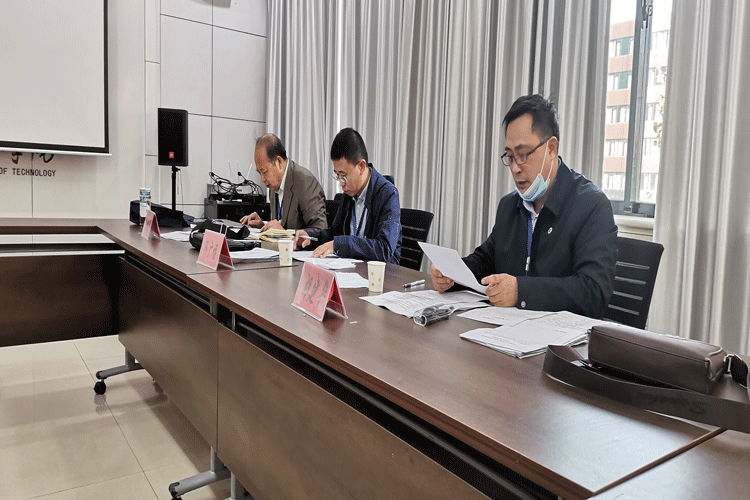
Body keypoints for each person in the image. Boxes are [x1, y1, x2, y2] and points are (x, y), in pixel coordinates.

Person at [430, 94, 617, 319]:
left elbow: (594, 292)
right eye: (510, 157)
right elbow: (486, 260)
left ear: (551, 149)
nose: (515, 168)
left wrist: (521, 291)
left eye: (523, 155)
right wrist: (452, 273)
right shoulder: (510, 205)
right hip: (508, 330)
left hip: (559, 337)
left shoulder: (591, 206)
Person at [293, 128, 402, 264]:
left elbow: (384, 249)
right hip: (351, 268)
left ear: (361, 166)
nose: (341, 183)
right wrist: (311, 237)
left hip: (380, 273)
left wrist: (341, 244)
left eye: (343, 175)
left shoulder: (388, 194)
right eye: (337, 175)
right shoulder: (350, 192)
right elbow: (335, 233)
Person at [240, 134, 327, 233]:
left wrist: (285, 233)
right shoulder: (273, 185)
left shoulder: (305, 182)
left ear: (279, 162)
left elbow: (320, 230)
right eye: (259, 173)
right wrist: (263, 226)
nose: (262, 179)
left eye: (264, 172)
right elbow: (281, 226)